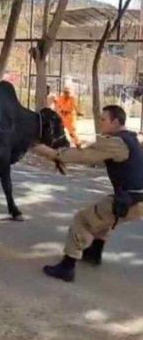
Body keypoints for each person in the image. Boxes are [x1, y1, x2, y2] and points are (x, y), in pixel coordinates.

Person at [32, 105, 143, 282]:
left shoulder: (117, 143)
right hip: (134, 200)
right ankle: (94, 254)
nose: (101, 122)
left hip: (131, 201)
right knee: (103, 216)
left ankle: (67, 267)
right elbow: (97, 152)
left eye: (103, 119)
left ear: (115, 121)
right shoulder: (128, 138)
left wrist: (51, 153)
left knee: (83, 220)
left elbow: (85, 157)